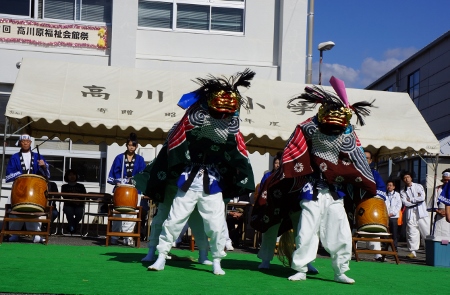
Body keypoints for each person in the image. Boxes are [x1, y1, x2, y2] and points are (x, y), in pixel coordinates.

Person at [252, 77, 377, 284]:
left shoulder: (348, 134)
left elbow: (357, 160)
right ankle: (300, 267)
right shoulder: (310, 127)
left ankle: (340, 271)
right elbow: (295, 145)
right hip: (310, 188)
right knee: (307, 230)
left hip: (334, 191)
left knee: (341, 232)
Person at [134, 69, 256, 275]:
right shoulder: (190, 121)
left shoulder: (231, 127)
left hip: (212, 181)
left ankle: (215, 259)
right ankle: (159, 254)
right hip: (186, 179)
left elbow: (238, 153)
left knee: (215, 224)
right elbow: (173, 146)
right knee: (172, 218)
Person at [6, 134, 50, 243]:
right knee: (16, 210)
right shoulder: (15, 157)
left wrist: (43, 166)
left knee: (34, 210)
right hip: (19, 188)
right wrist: (23, 175)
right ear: (20, 143)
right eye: (23, 141)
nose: (25, 143)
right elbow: (9, 173)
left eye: (27, 141)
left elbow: (47, 174)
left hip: (34, 189)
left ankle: (36, 234)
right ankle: (14, 233)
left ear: (30, 143)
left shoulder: (37, 156)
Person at [107, 133, 147, 246]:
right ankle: (114, 235)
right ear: (126, 145)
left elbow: (143, 174)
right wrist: (119, 182)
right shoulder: (119, 157)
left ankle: (128, 236)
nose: (131, 147)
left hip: (135, 190)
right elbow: (113, 173)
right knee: (117, 213)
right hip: (120, 189)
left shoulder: (140, 159)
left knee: (132, 213)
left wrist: (136, 183)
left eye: (133, 145)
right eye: (129, 145)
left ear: (136, 146)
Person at [400, 171, 430, 259]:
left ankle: (429, 250)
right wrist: (414, 200)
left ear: (411, 178)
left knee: (426, 231)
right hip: (410, 212)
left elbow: (422, 198)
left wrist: (411, 200)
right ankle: (412, 252)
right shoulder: (402, 191)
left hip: (421, 212)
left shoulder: (418, 186)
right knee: (411, 231)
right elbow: (405, 203)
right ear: (403, 180)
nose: (407, 179)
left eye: (408, 177)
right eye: (405, 178)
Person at [364, 151, 387, 261]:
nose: (365, 160)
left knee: (374, 227)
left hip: (370, 204)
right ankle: (346, 252)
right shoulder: (353, 171)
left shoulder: (375, 173)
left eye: (367, 158)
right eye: (363, 157)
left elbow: (382, 188)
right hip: (354, 203)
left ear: (371, 161)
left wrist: (373, 196)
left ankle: (377, 253)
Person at [61, 169, 87, 234]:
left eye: (73, 175)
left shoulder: (81, 186)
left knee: (79, 213)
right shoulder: (64, 186)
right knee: (69, 212)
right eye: (70, 175)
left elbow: (84, 195)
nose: (72, 176)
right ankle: (72, 229)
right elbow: (64, 196)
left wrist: (78, 200)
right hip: (68, 204)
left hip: (79, 204)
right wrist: (73, 200)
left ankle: (71, 226)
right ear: (67, 176)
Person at [431, 169, 450, 237]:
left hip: (449, 215)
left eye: (448, 180)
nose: (447, 182)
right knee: (438, 235)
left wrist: (447, 212)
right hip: (439, 214)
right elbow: (433, 202)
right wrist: (438, 211)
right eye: (445, 180)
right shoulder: (438, 189)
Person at [385, 180, 402, 249]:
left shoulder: (397, 195)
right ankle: (385, 247)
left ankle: (395, 247)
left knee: (394, 233)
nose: (389, 187)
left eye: (390, 185)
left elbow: (399, 205)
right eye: (388, 185)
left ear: (394, 187)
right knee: (386, 232)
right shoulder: (384, 194)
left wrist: (393, 213)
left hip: (394, 216)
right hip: (386, 216)